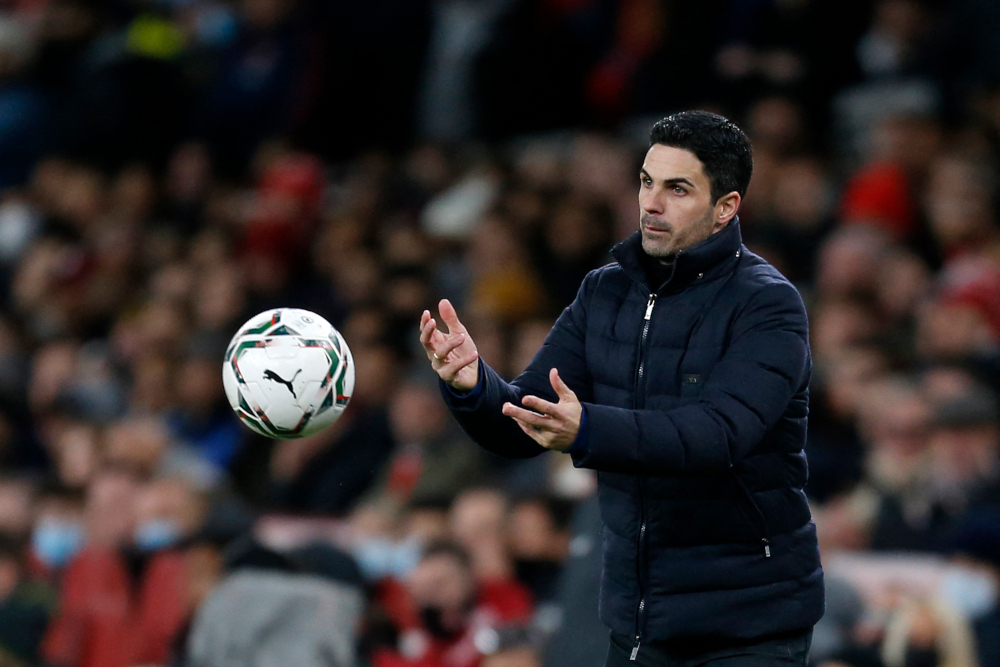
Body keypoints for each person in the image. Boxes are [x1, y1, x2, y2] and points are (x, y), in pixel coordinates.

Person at [418, 111, 824, 666]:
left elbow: (716, 436)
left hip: (747, 626)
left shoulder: (767, 305)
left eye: (677, 189)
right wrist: (473, 384)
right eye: (646, 182)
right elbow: (526, 420)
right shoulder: (605, 292)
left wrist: (587, 429)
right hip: (638, 621)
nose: (651, 203)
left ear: (725, 207)